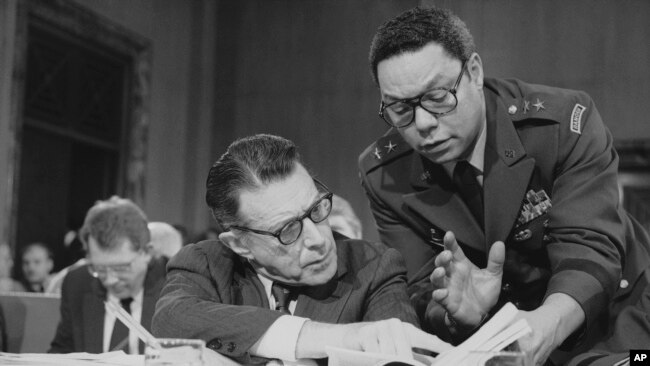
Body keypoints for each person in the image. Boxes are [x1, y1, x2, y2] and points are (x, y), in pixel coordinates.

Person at [358, 6, 650, 365]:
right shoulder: (384, 174)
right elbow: (420, 289)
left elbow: (589, 249)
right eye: (400, 108)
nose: (422, 123)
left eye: (437, 98)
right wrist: (456, 315)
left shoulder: (560, 125)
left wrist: (539, 330)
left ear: (475, 72)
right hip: (502, 343)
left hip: (615, 314)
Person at [152, 134, 451, 365]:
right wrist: (337, 338)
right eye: (287, 230)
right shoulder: (205, 264)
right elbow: (172, 318)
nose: (318, 240)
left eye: (317, 209)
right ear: (240, 244)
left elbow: (400, 354)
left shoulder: (373, 266)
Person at [49, 196, 167, 354]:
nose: (110, 280)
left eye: (121, 268)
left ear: (147, 252)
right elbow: (63, 352)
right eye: (100, 269)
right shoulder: (77, 283)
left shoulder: (174, 286)